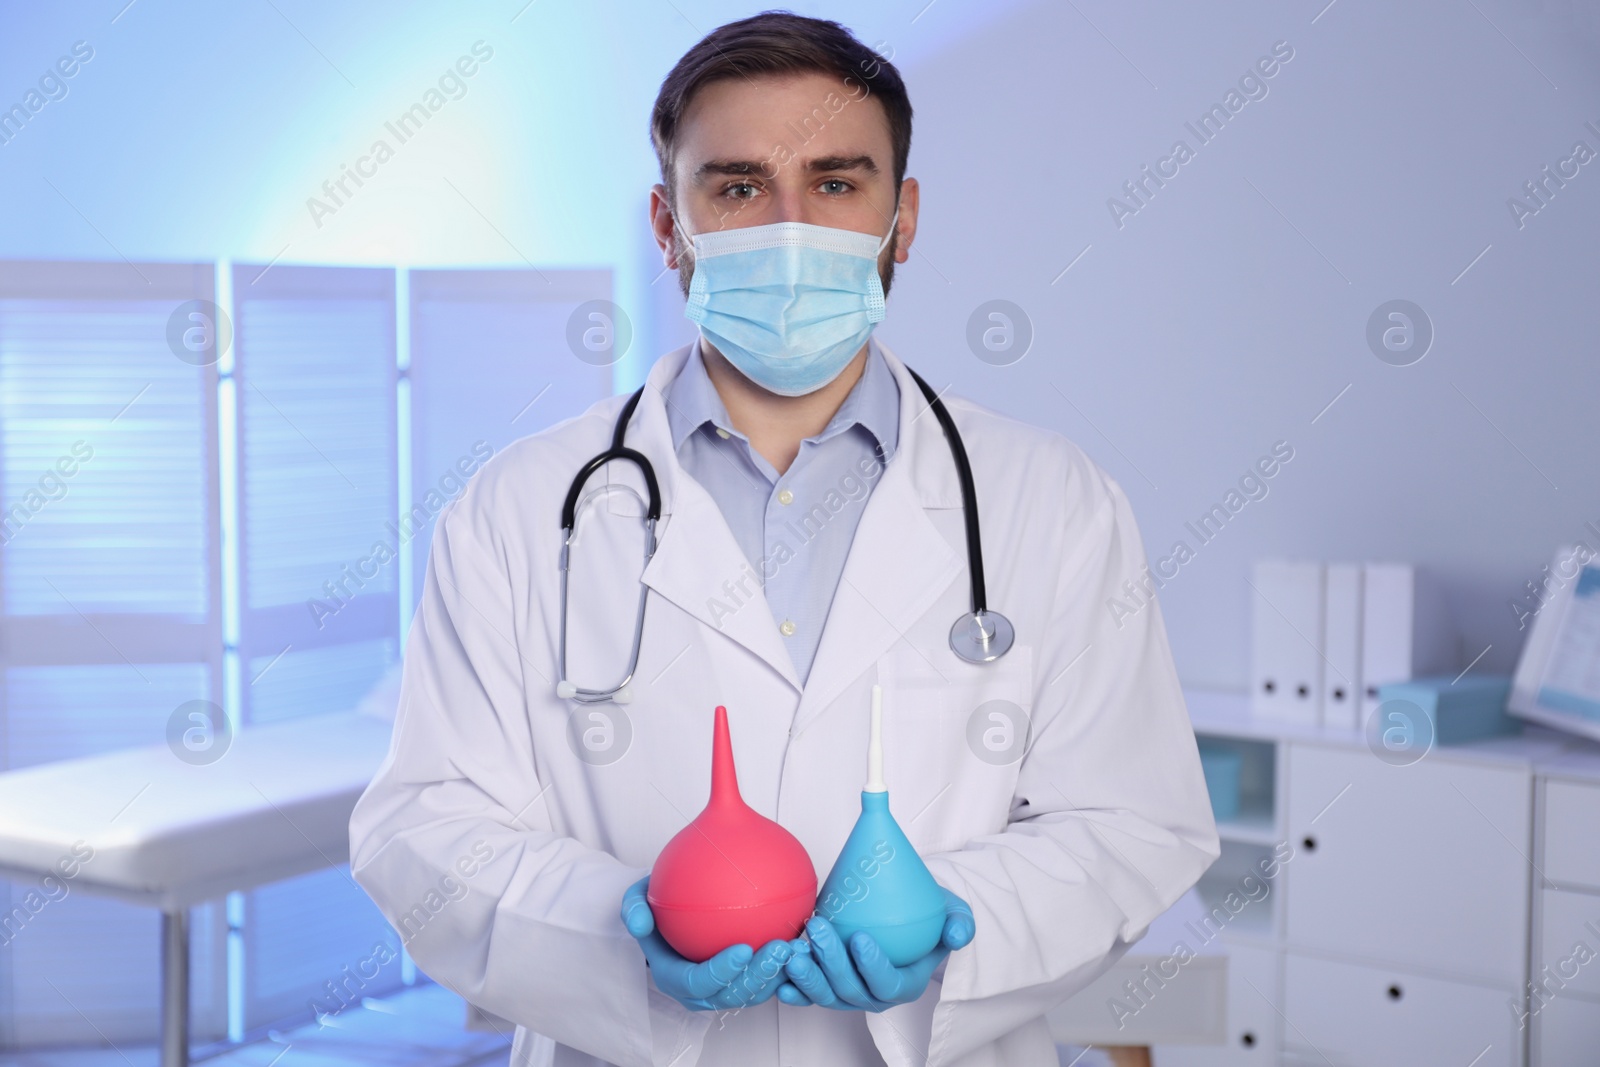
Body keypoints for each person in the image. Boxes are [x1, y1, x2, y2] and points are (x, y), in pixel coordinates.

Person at [349, 12, 1218, 1066]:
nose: (791, 230)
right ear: (671, 226)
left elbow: (1131, 820)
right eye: (740, 187)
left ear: (901, 221)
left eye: (837, 184)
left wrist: (949, 922)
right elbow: (423, 825)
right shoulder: (517, 510)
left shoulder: (1052, 500)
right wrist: (621, 923)